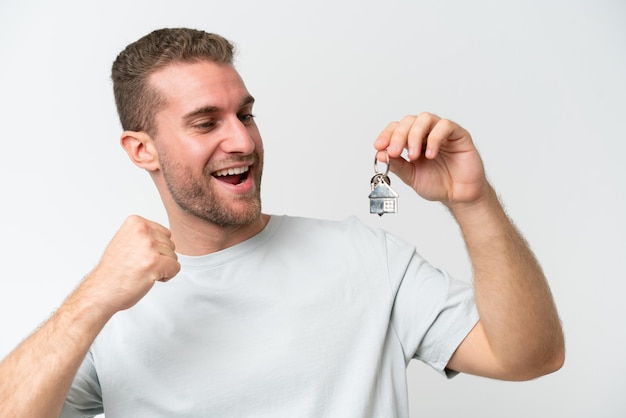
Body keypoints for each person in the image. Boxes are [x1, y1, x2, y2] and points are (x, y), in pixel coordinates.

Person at [0, 28, 564, 418]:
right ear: (141, 150)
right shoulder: (110, 306)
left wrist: (473, 201)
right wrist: (94, 299)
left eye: (245, 114)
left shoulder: (367, 257)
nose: (243, 140)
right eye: (205, 122)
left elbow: (530, 357)